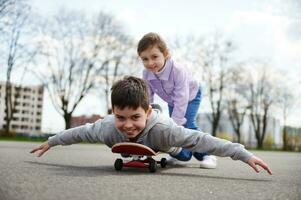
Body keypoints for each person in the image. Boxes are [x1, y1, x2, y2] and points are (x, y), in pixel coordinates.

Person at [30, 76, 272, 176]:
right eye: (120, 118)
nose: (127, 125)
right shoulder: (106, 127)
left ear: (147, 112)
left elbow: (202, 140)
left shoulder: (165, 130)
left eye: (135, 117)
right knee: (122, 141)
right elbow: (80, 132)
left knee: (186, 154)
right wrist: (52, 141)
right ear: (113, 112)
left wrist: (242, 153)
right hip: (145, 144)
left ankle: (180, 157)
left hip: (172, 146)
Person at [137, 32, 216, 168]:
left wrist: (174, 125)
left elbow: (182, 98)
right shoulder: (146, 73)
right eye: (145, 59)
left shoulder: (177, 71)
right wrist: (146, 117)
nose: (150, 63)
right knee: (176, 125)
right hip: (172, 100)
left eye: (155, 57)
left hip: (191, 95)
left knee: (187, 124)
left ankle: (207, 154)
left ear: (166, 54)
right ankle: (178, 155)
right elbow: (147, 97)